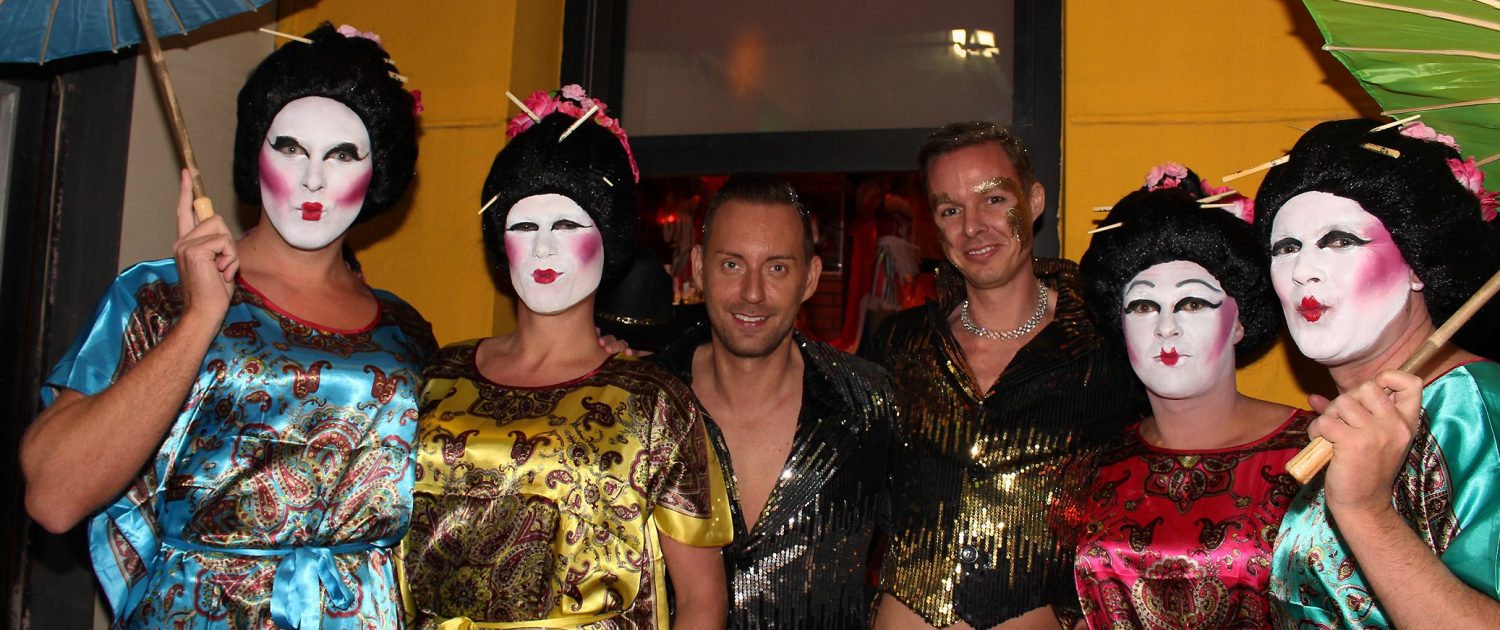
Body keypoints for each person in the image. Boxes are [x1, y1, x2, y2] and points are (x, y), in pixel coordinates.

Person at [20, 24, 433, 628]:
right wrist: (200, 318)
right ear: (255, 153)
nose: (312, 178)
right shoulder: (160, 295)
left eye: (342, 154)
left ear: (379, 172)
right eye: (290, 147)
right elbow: (54, 497)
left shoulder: (407, 333)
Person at [398, 86, 732, 629]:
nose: (544, 249)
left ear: (609, 237)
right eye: (524, 226)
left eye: (567, 226)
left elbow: (702, 599)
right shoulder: (439, 376)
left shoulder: (654, 403)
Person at [869, 121, 1143, 629]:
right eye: (950, 209)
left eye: (993, 200)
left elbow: (1153, 483)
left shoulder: (1109, 340)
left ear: (1034, 201)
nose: (972, 227)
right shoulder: (898, 346)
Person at [1255, 119, 1500, 627]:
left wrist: (1366, 511)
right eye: (1286, 248)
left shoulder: (1478, 411)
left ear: (1416, 264)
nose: (1302, 271)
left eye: (1339, 241)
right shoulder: (1350, 421)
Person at [650, 172, 899, 627]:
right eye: (732, 265)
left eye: (777, 268)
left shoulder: (870, 403)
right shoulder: (644, 401)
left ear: (811, 278)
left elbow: (920, 563)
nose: (752, 293)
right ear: (699, 267)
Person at [1073, 170, 1312, 628]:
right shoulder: (1097, 463)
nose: (1166, 328)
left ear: (1239, 322)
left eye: (1193, 304)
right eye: (1143, 306)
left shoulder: (1313, 454)